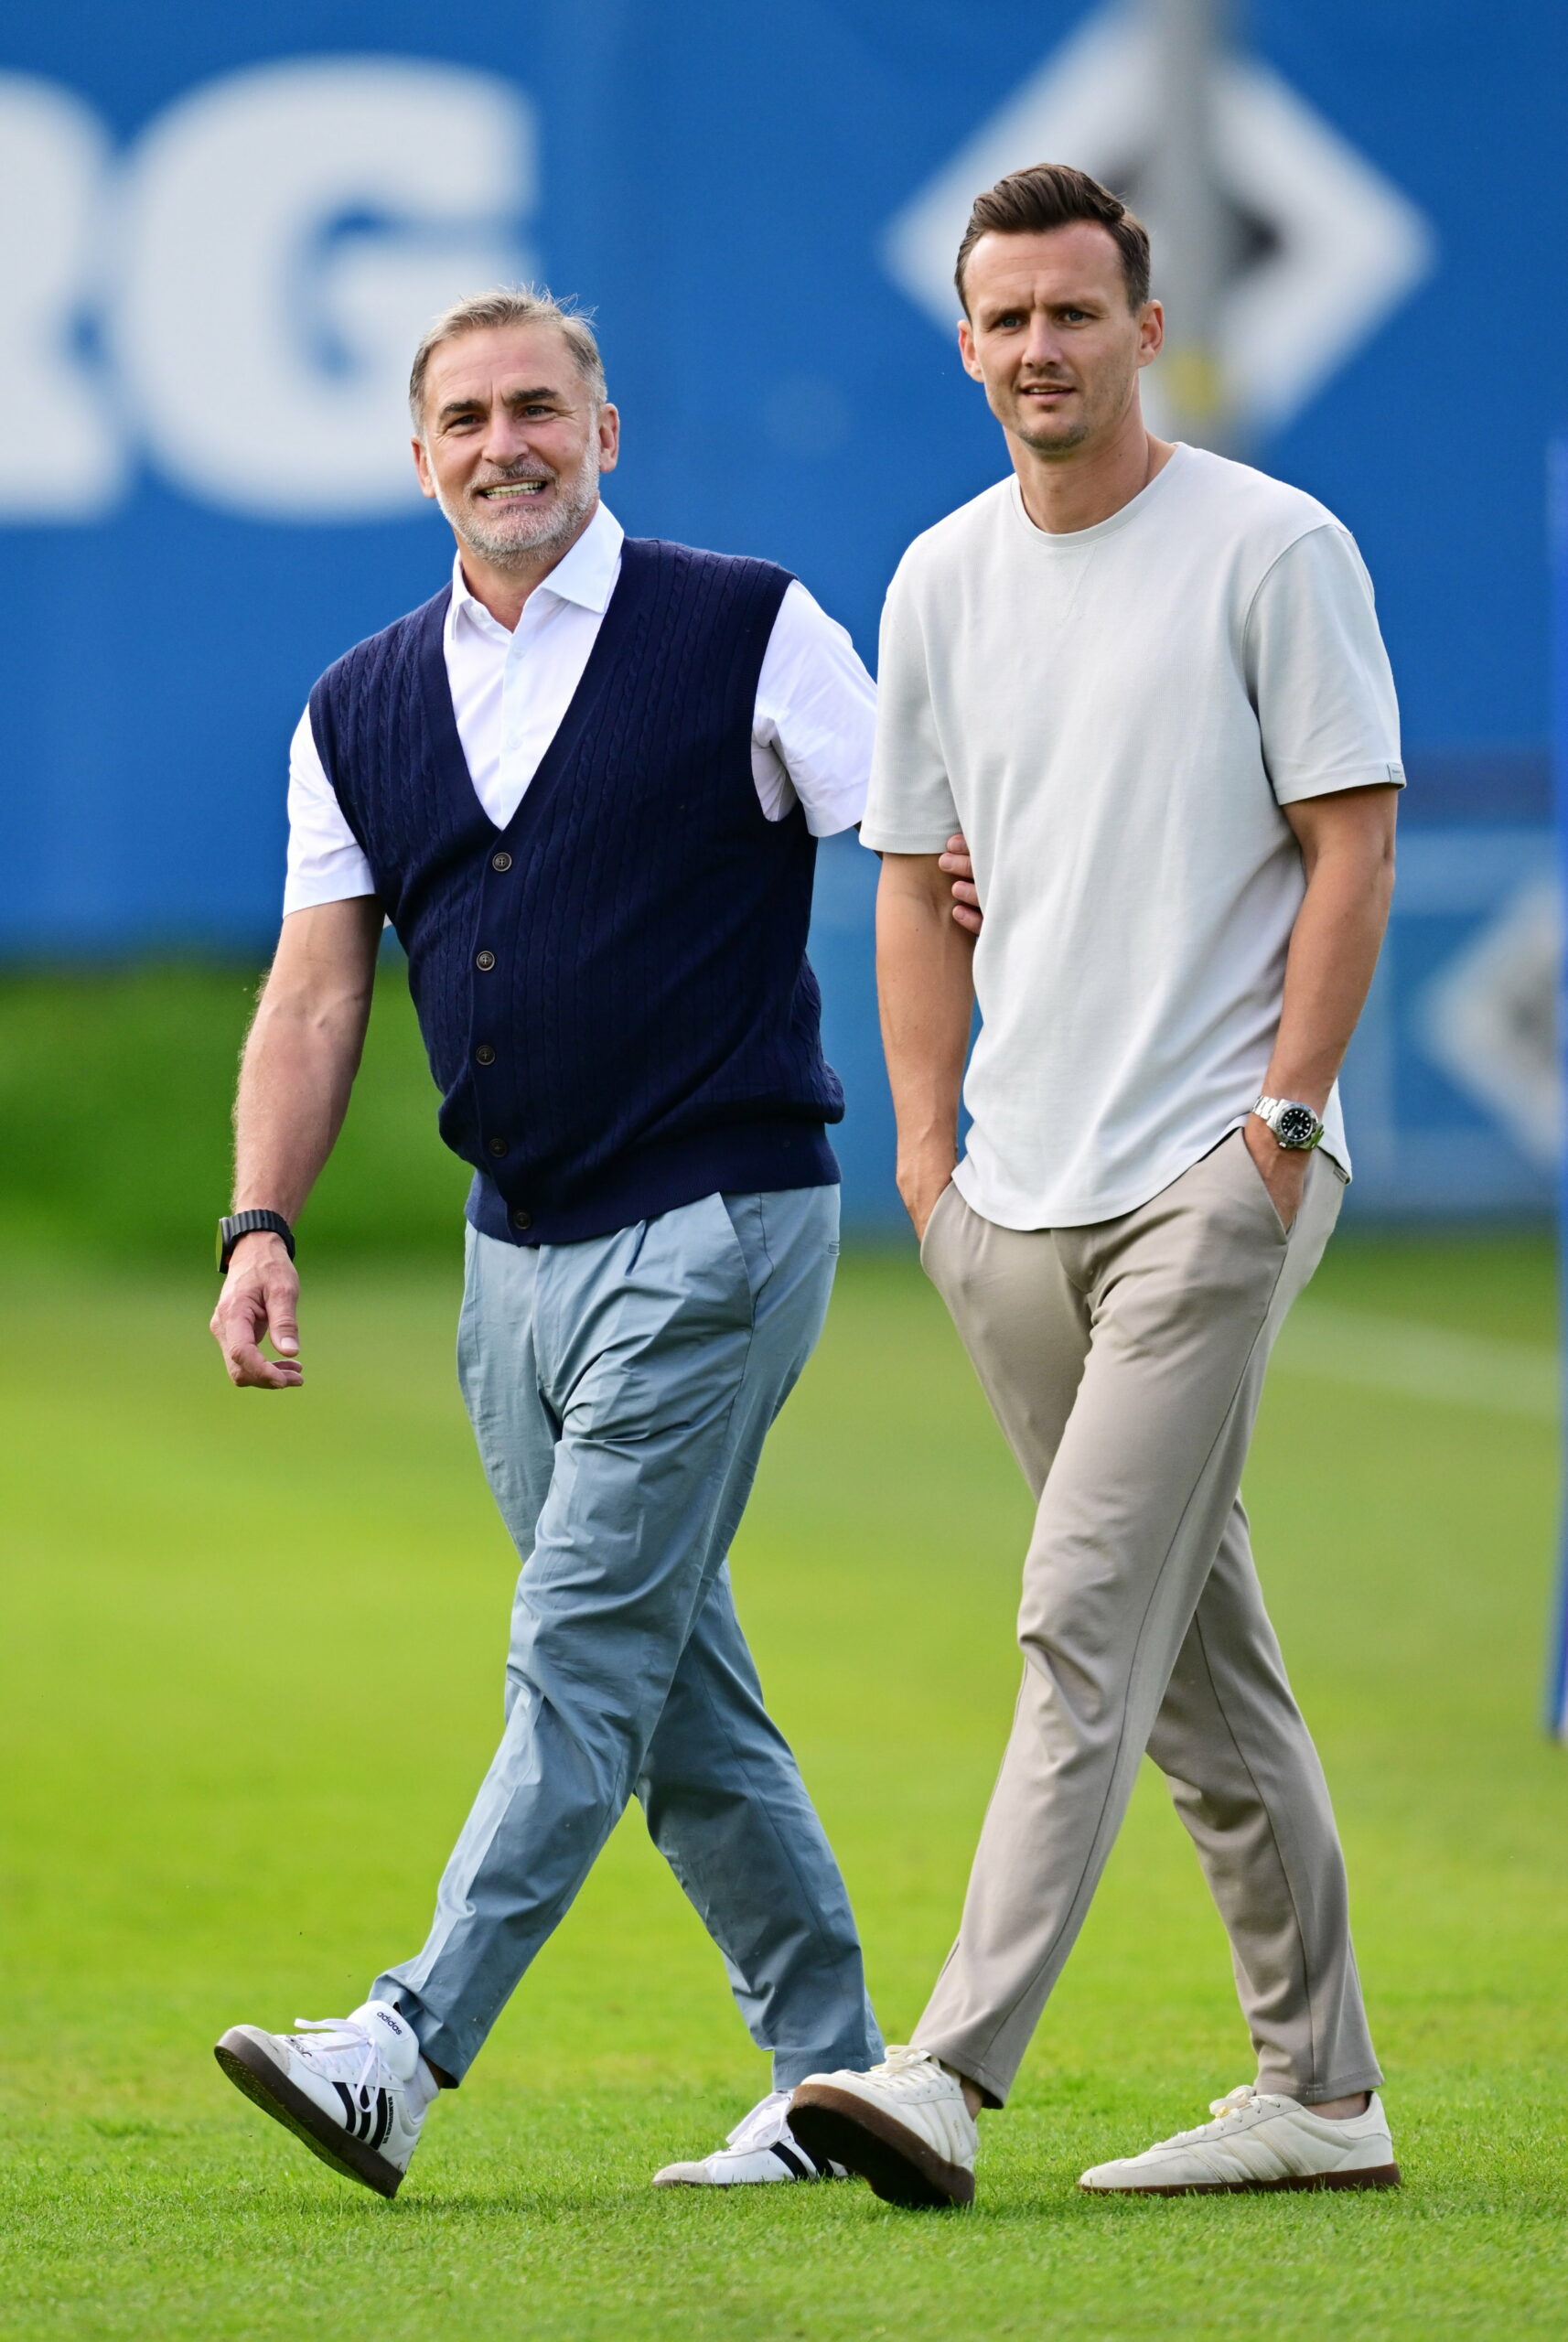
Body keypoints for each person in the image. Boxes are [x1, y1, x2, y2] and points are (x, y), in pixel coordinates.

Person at [209, 286, 885, 2199]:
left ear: (605, 432)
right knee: (670, 1681)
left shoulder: (742, 622)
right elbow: (317, 994)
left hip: (718, 1214)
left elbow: (917, 836)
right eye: (465, 419)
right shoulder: (355, 705)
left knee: (578, 1647)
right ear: (416, 454)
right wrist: (263, 1215)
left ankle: (402, 2049)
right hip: (507, 1257)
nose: (503, 444)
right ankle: (837, 2075)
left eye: (538, 409)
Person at [788, 164, 1402, 2208]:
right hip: (1005, 1203)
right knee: (1191, 1652)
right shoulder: (939, 576)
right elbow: (909, 875)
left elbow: (1347, 840)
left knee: (1074, 1615)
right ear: (962, 344)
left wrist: (1283, 1121)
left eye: (1073, 310)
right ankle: (1317, 2087)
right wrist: (926, 1152)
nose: (1038, 347)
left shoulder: (1269, 543)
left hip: (1209, 1180)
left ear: (1145, 325)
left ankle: (948, 2065)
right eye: (1004, 319)